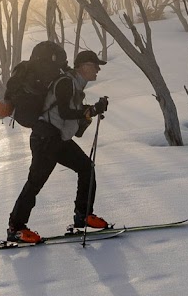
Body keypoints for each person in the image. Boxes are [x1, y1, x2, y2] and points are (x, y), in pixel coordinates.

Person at [6, 44, 110, 244]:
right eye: (94, 65)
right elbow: (64, 113)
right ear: (82, 66)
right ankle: (15, 228)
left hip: (57, 140)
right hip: (46, 139)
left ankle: (83, 215)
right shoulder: (65, 82)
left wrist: (92, 111)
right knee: (35, 183)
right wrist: (90, 110)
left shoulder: (77, 89)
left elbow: (75, 128)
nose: (98, 69)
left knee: (86, 168)